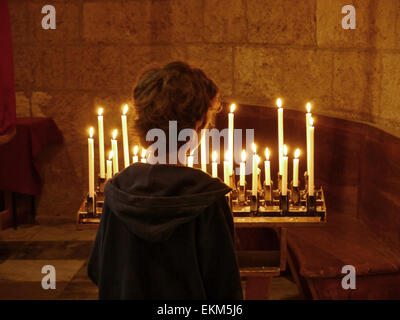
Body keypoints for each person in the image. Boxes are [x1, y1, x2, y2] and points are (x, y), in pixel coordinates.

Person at [88, 61, 243, 300]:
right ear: (199, 125)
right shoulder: (207, 198)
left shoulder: (118, 189)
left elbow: (99, 269)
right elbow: (224, 289)